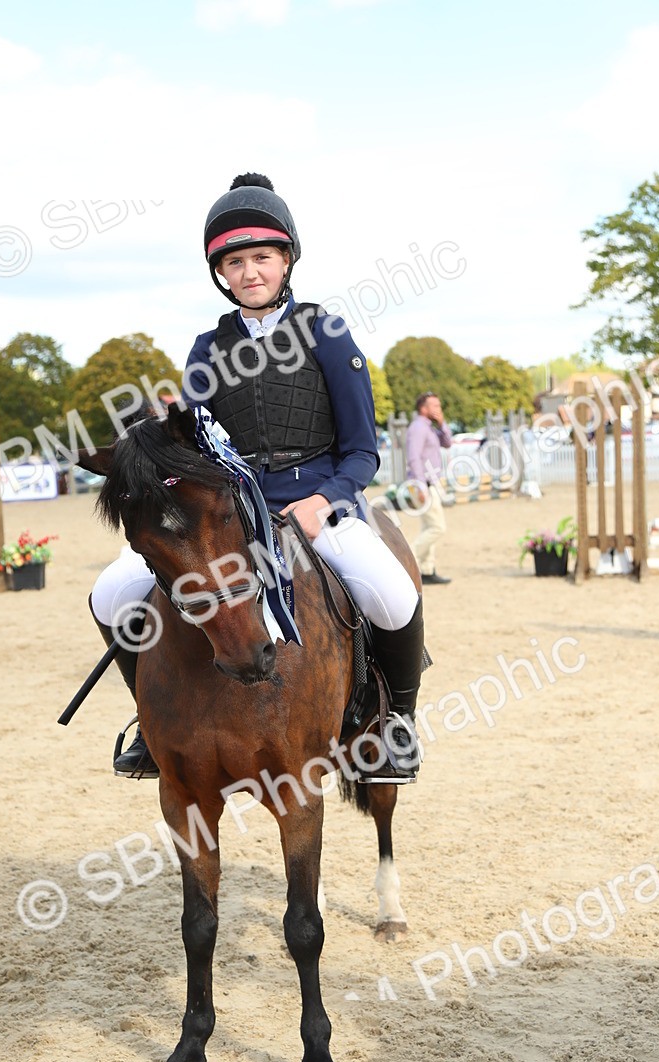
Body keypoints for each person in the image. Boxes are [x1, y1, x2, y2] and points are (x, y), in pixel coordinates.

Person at [90, 173, 425, 781]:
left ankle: (393, 725)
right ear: (220, 272)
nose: (249, 273)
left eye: (262, 258)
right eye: (235, 262)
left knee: (394, 594)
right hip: (229, 513)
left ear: (287, 259)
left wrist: (325, 500)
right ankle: (151, 720)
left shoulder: (327, 332)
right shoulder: (205, 347)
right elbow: (190, 443)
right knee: (111, 594)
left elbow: (362, 451)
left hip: (318, 504)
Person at [406, 392, 452, 584]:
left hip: (430, 483)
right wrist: (420, 485)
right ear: (423, 408)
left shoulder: (431, 427)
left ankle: (426, 570)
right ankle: (408, 559)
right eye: (435, 406)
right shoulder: (418, 427)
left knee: (428, 526)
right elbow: (413, 457)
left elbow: (447, 443)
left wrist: (442, 424)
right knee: (437, 527)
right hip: (422, 483)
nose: (438, 410)